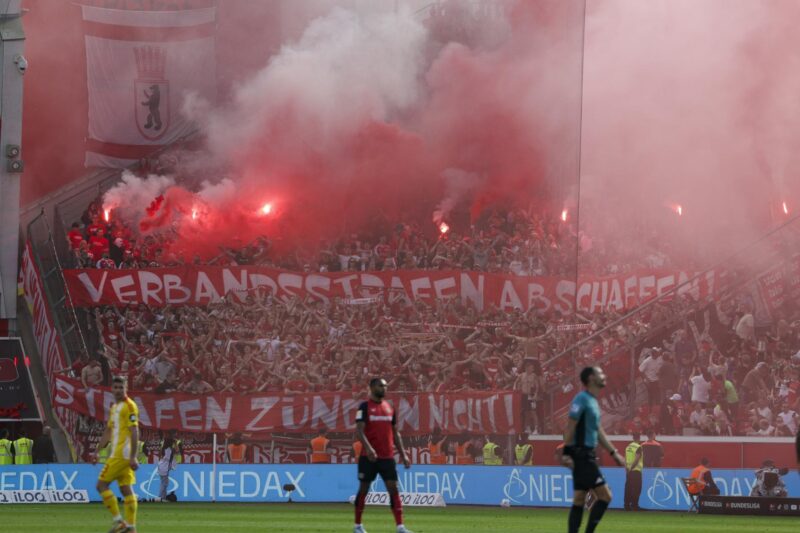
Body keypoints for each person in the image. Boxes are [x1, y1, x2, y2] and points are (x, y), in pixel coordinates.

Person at [561, 367, 624, 533]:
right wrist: (567, 453)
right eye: (600, 373)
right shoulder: (580, 399)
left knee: (579, 498)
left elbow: (598, 430)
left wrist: (613, 453)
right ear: (591, 378)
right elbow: (570, 426)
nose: (604, 376)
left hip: (586, 453)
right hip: (581, 455)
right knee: (605, 496)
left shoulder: (593, 401)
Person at [353, 377, 413, 533]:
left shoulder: (389, 407)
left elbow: (395, 433)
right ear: (372, 387)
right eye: (381, 386)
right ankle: (358, 525)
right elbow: (359, 430)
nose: (384, 388)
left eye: (386, 386)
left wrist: (403, 454)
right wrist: (369, 448)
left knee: (394, 489)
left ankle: (400, 526)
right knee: (364, 489)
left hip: (387, 457)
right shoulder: (364, 407)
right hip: (369, 457)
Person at [93, 376, 139, 533]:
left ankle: (119, 521)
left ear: (126, 388)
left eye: (121, 387)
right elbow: (108, 431)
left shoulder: (130, 406)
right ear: (111, 389)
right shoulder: (114, 408)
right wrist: (97, 451)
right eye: (116, 387)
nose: (118, 390)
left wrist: (133, 456)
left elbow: (134, 431)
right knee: (126, 489)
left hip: (120, 455)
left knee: (101, 485)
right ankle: (131, 528)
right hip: (121, 455)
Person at [624, 432, 643, 511]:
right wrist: (632, 468)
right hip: (636, 471)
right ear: (639, 438)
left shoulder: (628, 447)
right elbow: (637, 458)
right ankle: (635, 505)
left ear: (633, 438)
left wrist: (627, 470)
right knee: (637, 488)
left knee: (628, 488)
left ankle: (627, 505)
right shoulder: (638, 447)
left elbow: (625, 459)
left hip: (628, 471)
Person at [157, 436, 176, 502]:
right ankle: (161, 497)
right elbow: (168, 458)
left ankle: (163, 497)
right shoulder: (169, 449)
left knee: (164, 482)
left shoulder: (163, 448)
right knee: (164, 483)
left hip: (161, 465)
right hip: (164, 467)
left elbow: (160, 456)